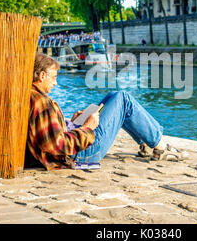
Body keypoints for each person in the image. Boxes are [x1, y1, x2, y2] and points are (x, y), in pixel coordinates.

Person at [25, 53, 186, 171]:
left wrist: (71, 123)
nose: (55, 82)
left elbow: (50, 135)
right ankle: (160, 146)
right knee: (123, 99)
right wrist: (87, 127)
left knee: (112, 97)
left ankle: (147, 142)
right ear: (42, 75)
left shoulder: (33, 96)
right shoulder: (43, 104)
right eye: (53, 77)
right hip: (82, 153)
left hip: (74, 148)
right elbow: (56, 144)